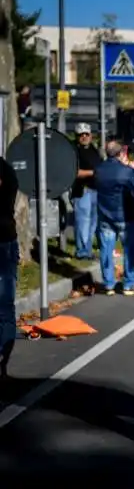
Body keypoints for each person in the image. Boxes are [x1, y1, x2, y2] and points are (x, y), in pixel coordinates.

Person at [93, 140, 134, 296]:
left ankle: (108, 284)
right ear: (121, 153)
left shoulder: (99, 170)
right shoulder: (126, 171)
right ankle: (129, 284)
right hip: (124, 214)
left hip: (105, 214)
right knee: (129, 249)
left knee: (106, 249)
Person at [71, 123, 103, 260]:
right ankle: (82, 252)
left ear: (91, 135)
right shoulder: (73, 151)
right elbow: (74, 172)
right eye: (81, 134)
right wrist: (93, 172)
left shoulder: (94, 150)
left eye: (86, 134)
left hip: (96, 190)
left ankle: (87, 250)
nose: (84, 137)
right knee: (83, 222)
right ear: (76, 136)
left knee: (93, 223)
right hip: (82, 190)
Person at [0, 157, 19, 379]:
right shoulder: (7, 169)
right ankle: (3, 363)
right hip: (6, 240)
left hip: (4, 242)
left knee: (5, 307)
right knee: (5, 307)